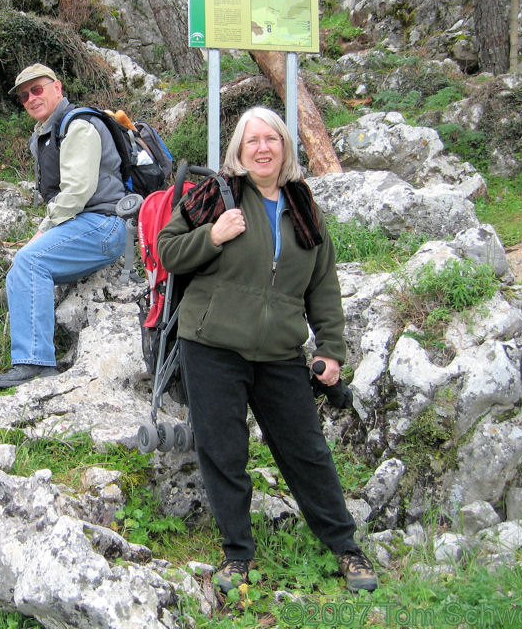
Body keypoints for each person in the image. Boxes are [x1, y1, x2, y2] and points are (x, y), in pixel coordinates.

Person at [156, 106, 378, 595]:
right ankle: (238, 554)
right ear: (239, 149)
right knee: (224, 450)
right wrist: (212, 235)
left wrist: (332, 350)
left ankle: (345, 546)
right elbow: (167, 250)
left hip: (279, 350)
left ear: (285, 148)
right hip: (211, 343)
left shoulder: (303, 205)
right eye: (252, 140)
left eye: (272, 139)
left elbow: (324, 286)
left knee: (307, 451)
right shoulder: (215, 193)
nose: (262, 148)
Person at [0, 63, 127, 389]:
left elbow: (78, 191)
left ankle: (35, 362)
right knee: (25, 266)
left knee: (29, 260)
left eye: (37, 89)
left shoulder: (78, 126)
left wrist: (43, 230)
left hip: (103, 223)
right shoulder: (48, 132)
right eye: (24, 95)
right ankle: (34, 358)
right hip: (87, 223)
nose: (31, 98)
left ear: (57, 88)